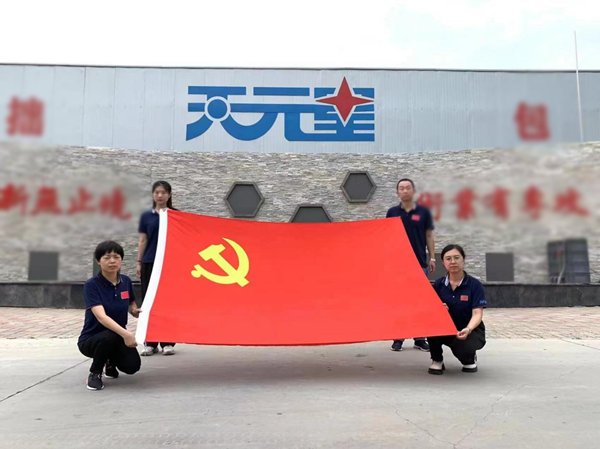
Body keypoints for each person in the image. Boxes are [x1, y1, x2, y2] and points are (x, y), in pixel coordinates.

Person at [78, 241, 141, 390]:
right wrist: (126, 334)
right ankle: (95, 373)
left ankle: (109, 361)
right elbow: (101, 317)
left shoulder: (125, 281)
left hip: (117, 336)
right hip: (92, 339)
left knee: (132, 367)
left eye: (116, 257)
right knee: (109, 336)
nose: (112, 261)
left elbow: (131, 301)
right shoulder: (92, 285)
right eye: (107, 258)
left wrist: (134, 310)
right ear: (98, 261)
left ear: (121, 260)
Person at [386, 178, 436, 352]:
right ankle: (398, 338)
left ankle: (419, 338)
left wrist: (432, 257)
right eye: (401, 188)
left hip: (419, 262)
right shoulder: (392, 212)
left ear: (413, 191)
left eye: (408, 188)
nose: (405, 190)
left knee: (419, 302)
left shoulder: (423, 212)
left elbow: (429, 235)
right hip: (398, 264)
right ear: (397, 192)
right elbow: (386, 236)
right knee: (399, 301)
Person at [427, 244, 487, 375]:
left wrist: (468, 329)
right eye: (448, 258)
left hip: (467, 328)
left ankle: (469, 357)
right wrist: (439, 310)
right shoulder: (438, 284)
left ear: (463, 260)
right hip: (445, 327)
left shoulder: (474, 285)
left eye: (456, 257)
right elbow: (430, 309)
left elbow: (477, 313)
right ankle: (437, 359)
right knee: (431, 326)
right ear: (443, 262)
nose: (453, 262)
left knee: (466, 353)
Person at [137, 180, 177, 356]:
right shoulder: (146, 216)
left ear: (169, 195)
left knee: (168, 302)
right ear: (153, 195)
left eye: (163, 192)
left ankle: (167, 342)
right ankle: (150, 342)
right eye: (157, 192)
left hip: (169, 264)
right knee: (149, 302)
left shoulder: (176, 215)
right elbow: (143, 240)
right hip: (150, 262)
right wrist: (139, 262)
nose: (160, 195)